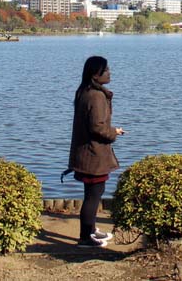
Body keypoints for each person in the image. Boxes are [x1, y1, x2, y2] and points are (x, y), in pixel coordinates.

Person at [67, 55, 125, 248]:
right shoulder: (96, 96)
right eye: (106, 70)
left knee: (92, 193)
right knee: (94, 195)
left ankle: (91, 230)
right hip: (93, 155)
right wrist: (114, 132)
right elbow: (97, 128)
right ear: (95, 74)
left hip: (87, 153)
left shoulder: (85, 92)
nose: (109, 73)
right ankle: (85, 238)